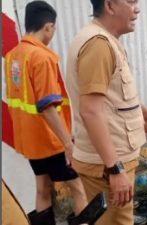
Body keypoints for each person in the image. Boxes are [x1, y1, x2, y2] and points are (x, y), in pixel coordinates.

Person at [66, 0, 147, 224]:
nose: (137, 9)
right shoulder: (98, 44)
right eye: (131, 2)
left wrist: (142, 110)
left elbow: (111, 94)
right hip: (107, 164)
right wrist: (115, 169)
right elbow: (90, 111)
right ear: (109, 5)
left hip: (109, 159)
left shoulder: (105, 39)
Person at [3, 1, 89, 225]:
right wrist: (68, 144)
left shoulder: (13, 56)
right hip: (51, 140)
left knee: (42, 187)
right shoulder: (42, 57)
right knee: (78, 188)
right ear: (48, 27)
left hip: (30, 141)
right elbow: (47, 106)